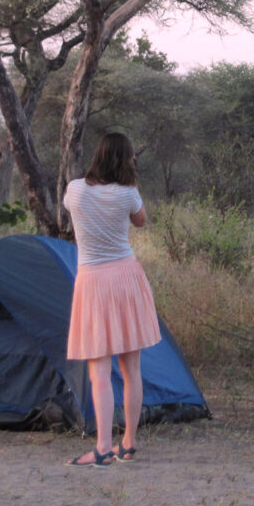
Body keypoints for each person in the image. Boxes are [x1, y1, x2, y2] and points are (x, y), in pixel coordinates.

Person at [63, 132, 161, 467]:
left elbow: (72, 211)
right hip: (125, 277)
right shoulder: (128, 193)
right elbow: (142, 221)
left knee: (99, 370)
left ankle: (103, 447)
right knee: (131, 367)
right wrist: (128, 187)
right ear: (125, 158)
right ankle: (128, 443)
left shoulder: (75, 190)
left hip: (92, 281)